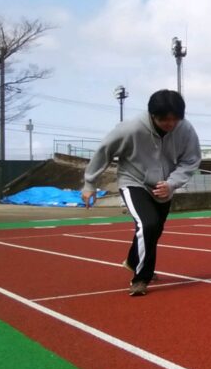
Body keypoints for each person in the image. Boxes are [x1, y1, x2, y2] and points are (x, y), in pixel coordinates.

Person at [81, 89, 201, 296]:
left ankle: (132, 260)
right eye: (165, 119)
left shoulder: (185, 130)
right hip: (133, 181)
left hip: (164, 186)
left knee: (155, 230)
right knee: (148, 225)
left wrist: (172, 183)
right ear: (153, 115)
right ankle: (141, 278)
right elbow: (104, 151)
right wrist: (89, 184)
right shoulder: (131, 128)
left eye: (175, 119)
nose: (170, 124)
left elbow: (191, 160)